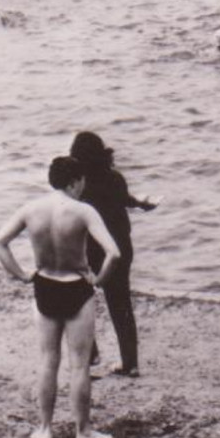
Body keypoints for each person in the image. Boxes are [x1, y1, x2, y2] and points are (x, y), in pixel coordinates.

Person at [0, 156, 121, 438]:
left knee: (48, 361)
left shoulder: (30, 209)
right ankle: (83, 431)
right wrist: (98, 280)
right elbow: (114, 253)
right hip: (76, 286)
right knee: (79, 364)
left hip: (44, 285)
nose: (84, 185)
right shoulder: (83, 210)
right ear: (75, 181)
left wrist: (22, 275)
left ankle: (45, 428)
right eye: (82, 181)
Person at [69, 132, 158, 379]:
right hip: (120, 248)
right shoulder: (115, 178)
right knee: (121, 304)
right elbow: (126, 200)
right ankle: (131, 364)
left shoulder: (78, 184)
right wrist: (143, 203)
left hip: (90, 249)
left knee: (82, 300)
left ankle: (91, 354)